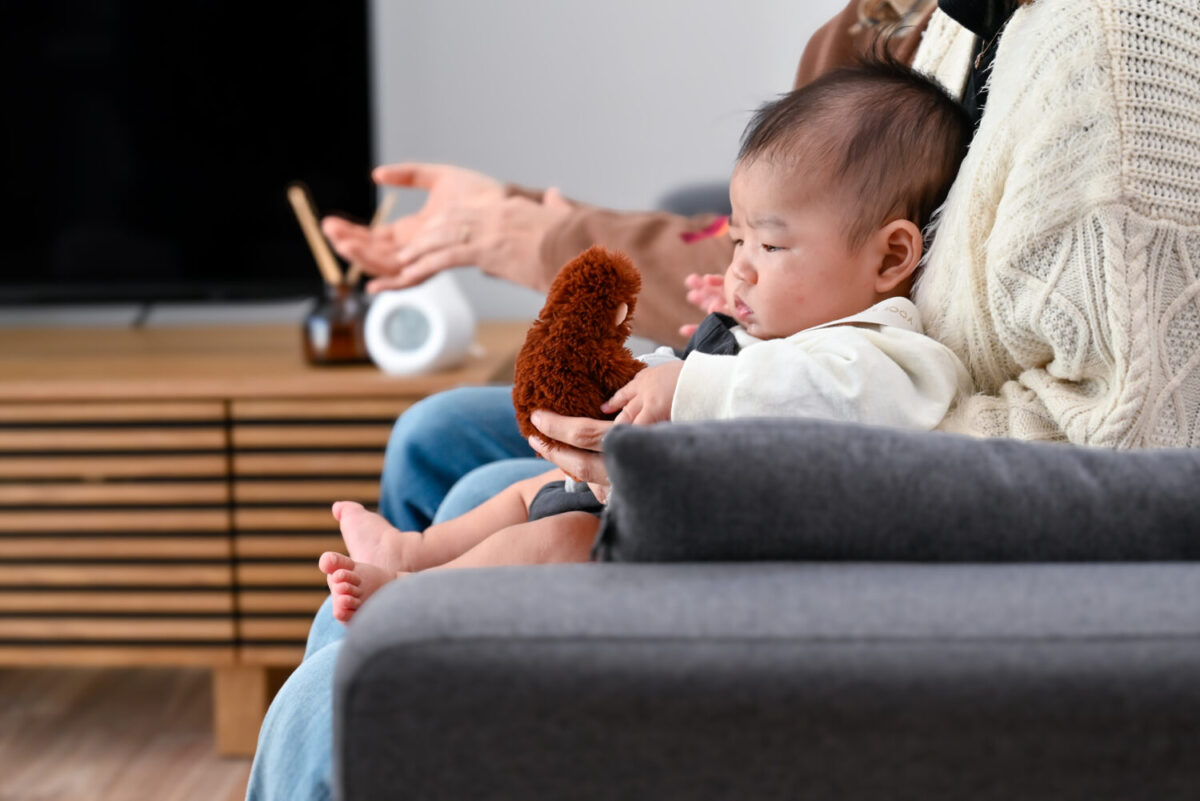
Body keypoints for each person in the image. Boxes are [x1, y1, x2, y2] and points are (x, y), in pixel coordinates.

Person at [317, 59, 974, 624]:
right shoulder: (804, 318)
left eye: (770, 246)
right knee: (526, 491)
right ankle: (418, 549)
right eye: (738, 239)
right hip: (654, 477)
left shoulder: (891, 354)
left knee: (562, 537)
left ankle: (410, 594)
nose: (741, 265)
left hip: (698, 522)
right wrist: (713, 339)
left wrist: (688, 383)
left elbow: (823, 397)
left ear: (891, 257)